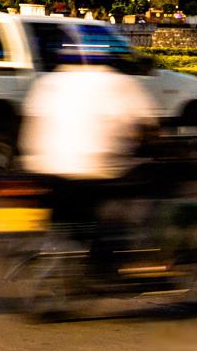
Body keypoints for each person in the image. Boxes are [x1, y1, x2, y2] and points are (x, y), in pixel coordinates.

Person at [17, 37, 161, 258]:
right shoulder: (117, 83)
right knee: (141, 187)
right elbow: (147, 124)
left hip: (42, 169)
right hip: (95, 168)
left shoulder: (47, 82)